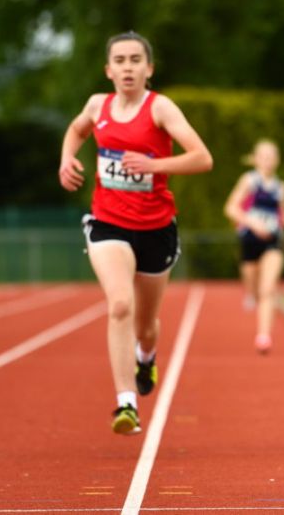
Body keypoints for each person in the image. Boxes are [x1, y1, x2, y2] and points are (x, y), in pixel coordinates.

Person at [58, 31, 213, 435]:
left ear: (149, 68)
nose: (128, 68)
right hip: (108, 221)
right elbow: (76, 130)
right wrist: (66, 158)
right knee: (120, 305)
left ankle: (146, 356)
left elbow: (202, 158)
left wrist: (154, 167)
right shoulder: (97, 105)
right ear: (108, 70)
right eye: (120, 61)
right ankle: (126, 403)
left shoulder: (160, 108)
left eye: (135, 60)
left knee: (146, 323)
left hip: (155, 226)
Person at [223, 139, 284, 354]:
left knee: (268, 289)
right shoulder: (249, 181)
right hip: (249, 240)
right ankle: (251, 294)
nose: (267, 161)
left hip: (273, 240)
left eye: (271, 156)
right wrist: (252, 223)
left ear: (277, 160)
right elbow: (231, 208)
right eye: (263, 156)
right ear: (255, 159)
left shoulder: (282, 188)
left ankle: (264, 336)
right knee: (254, 289)